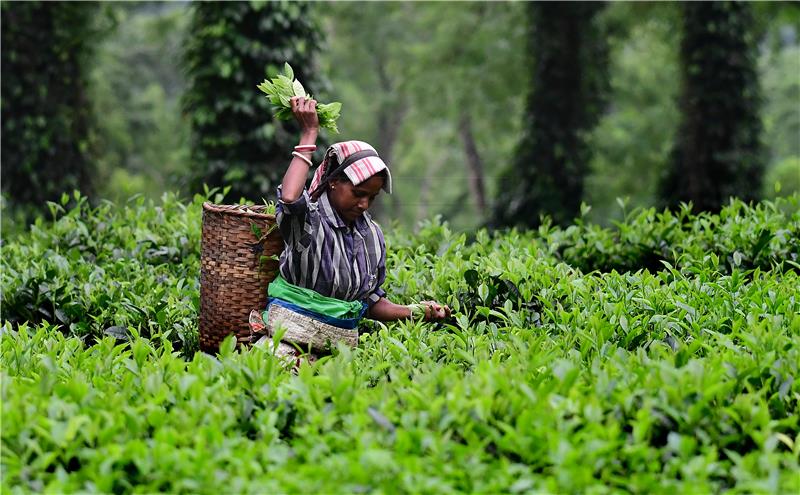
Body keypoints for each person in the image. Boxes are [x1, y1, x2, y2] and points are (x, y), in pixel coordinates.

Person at [250, 96, 450, 362]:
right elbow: (289, 198)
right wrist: (309, 133)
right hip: (285, 347)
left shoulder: (372, 237)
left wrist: (417, 312)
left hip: (338, 358)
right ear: (334, 182)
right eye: (357, 193)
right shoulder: (309, 221)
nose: (364, 204)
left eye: (372, 197)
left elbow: (370, 303)